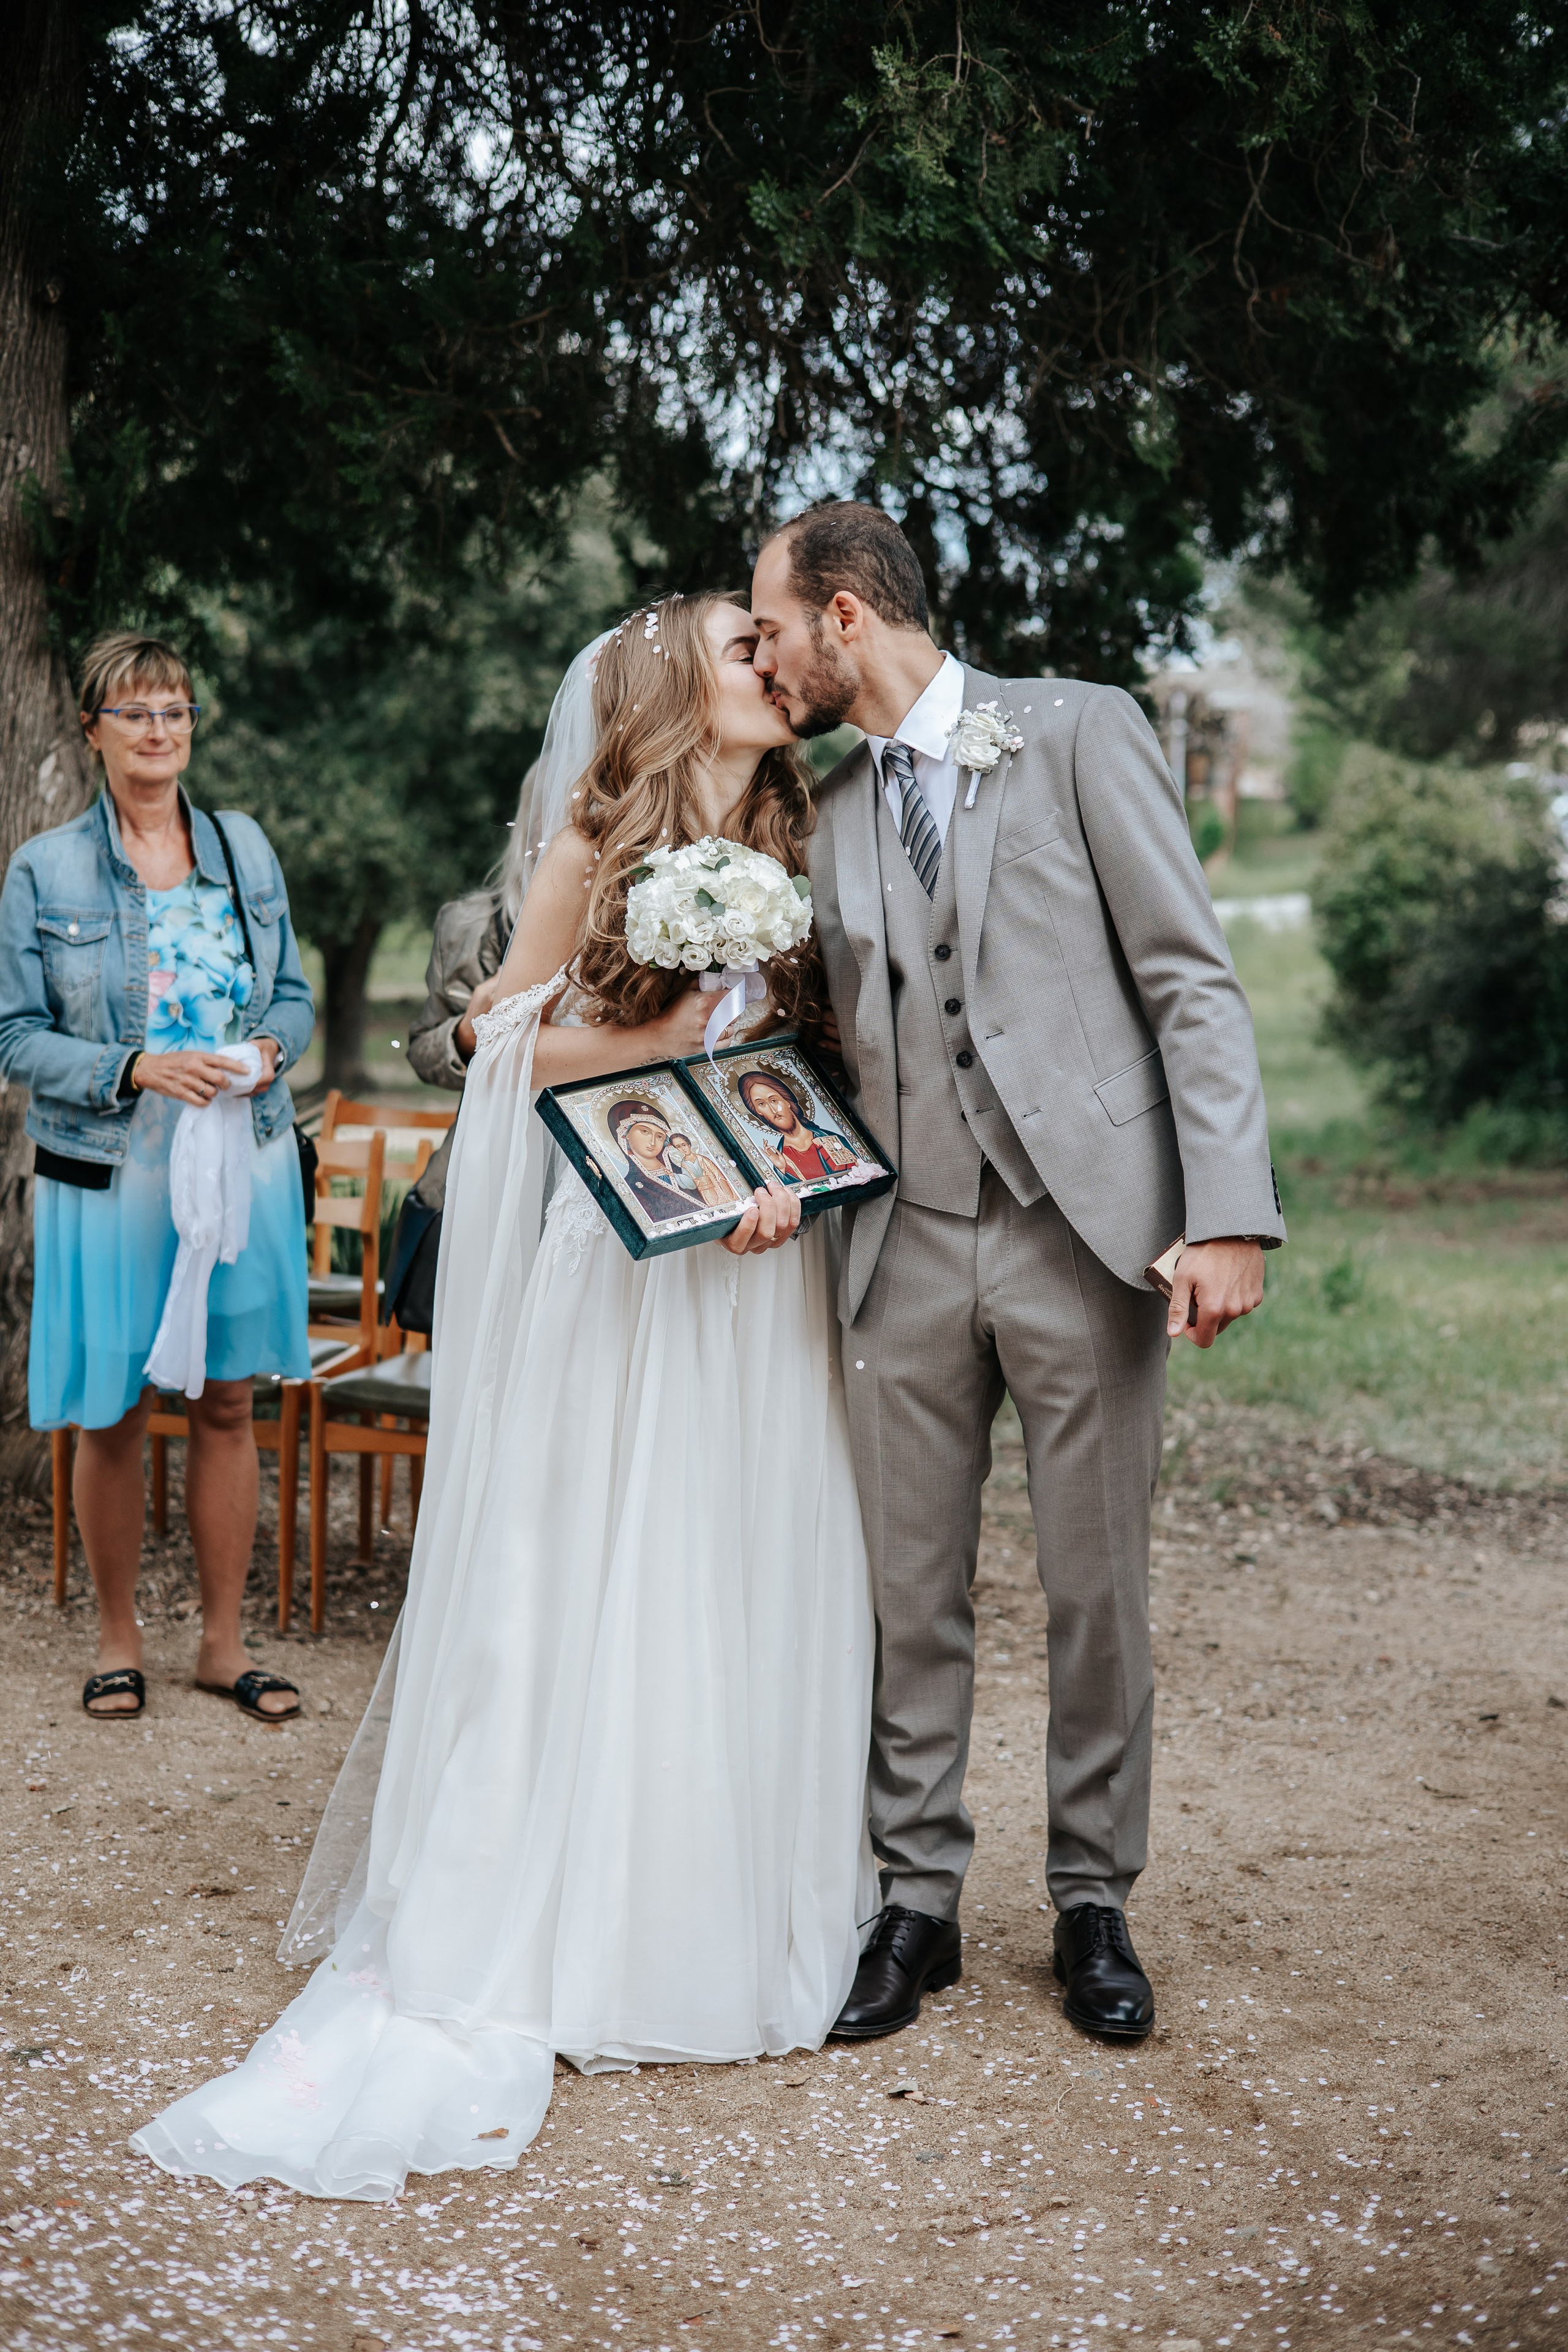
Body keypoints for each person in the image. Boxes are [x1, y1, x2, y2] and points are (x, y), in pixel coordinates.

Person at [131, 592, 874, 2199]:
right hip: (618, 1270)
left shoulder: (805, 844)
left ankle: (725, 1906)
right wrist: (662, 1021)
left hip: (760, 1273)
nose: (776, 664)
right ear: (678, 685)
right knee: (589, 1574)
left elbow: (822, 1064)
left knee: (734, 1572)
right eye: (746, 648)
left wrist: (788, 1165)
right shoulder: (587, 852)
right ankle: (570, 1917)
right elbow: (509, 1050)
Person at [751, 502, 1284, 2043]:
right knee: (903, 1589)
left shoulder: (1072, 731)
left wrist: (1227, 1210)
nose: (766, 654)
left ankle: (1090, 1897)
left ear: (844, 615)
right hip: (899, 1237)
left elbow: (1187, 977)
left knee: (1091, 1581)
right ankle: (914, 1901)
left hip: (1084, 1230)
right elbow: (812, 1040)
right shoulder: (827, 809)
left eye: (775, 623)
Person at [0, 631, 316, 1724]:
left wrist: (271, 1048)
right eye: (135, 713)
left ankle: (224, 1646)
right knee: (114, 1411)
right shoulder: (45, 868)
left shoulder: (242, 848)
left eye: (174, 711)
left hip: (242, 1159)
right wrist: (133, 1065)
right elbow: (13, 1038)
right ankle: (118, 1641)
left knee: (227, 1399)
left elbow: (294, 997)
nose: (159, 731)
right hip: (106, 1169)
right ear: (93, 729)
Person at [736, 1066, 863, 1183]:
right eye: (761, 1104)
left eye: (774, 1100)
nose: (773, 1110)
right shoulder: (781, 1160)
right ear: (759, 1112)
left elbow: (861, 1172)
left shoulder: (831, 1139)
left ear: (787, 1101)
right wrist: (782, 1170)